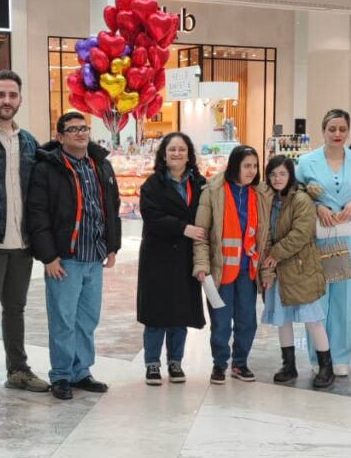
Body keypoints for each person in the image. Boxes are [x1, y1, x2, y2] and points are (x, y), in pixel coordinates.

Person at [26, 111, 121, 401]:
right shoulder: (47, 168)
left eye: (84, 128)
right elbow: (37, 214)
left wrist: (112, 246)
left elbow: (111, 206)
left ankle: (81, 372)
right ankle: (61, 375)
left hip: (94, 256)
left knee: (87, 320)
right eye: (73, 129)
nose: (81, 133)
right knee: (63, 320)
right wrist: (48, 257)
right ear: (60, 136)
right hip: (65, 259)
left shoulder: (100, 164)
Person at [0, 71, 48, 404]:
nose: (6, 101)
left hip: (22, 242)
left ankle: (18, 370)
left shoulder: (28, 142)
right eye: (0, 94)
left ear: (20, 99)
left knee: (15, 308)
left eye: (12, 95)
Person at [296, 110, 351, 375]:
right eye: (332, 129)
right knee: (319, 301)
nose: (337, 134)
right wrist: (317, 206)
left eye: (342, 129)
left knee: (345, 302)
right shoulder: (306, 162)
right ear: (323, 131)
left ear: (348, 131)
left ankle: (340, 357)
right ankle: (318, 358)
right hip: (319, 240)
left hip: (350, 240)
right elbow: (295, 196)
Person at [193, 145, 270, 384]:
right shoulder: (213, 191)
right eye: (246, 166)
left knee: (247, 320)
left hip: (248, 270)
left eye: (255, 166)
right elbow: (201, 233)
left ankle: (240, 363)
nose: (251, 171)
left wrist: (267, 271)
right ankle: (219, 364)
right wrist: (201, 265)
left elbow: (265, 237)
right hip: (220, 270)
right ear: (235, 166)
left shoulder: (260, 194)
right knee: (221, 322)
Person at [137, 132, 207, 386]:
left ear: (189, 155)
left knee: (180, 311)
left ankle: (175, 361)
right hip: (158, 256)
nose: (177, 154)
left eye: (182, 149)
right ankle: (152, 364)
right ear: (163, 155)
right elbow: (151, 216)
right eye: (172, 150)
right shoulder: (152, 184)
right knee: (156, 313)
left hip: (186, 256)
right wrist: (183, 228)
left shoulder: (200, 183)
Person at [260, 155, 334, 389]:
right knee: (282, 320)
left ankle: (326, 367)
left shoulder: (301, 199)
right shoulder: (269, 200)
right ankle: (288, 365)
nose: (277, 178)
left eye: (282, 174)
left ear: (290, 175)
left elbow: (301, 234)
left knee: (312, 319)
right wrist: (268, 264)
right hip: (278, 269)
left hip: (301, 268)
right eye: (273, 174)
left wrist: (275, 253)